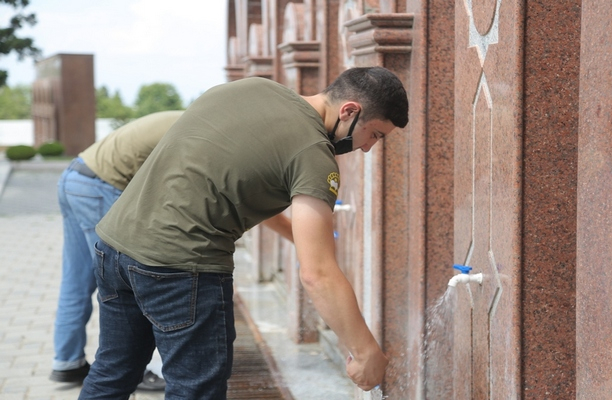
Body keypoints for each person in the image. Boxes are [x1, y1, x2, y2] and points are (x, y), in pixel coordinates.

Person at [79, 66, 409, 399]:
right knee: (194, 389)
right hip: (182, 267)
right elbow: (317, 273)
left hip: (115, 246)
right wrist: (365, 351)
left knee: (113, 373)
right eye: (375, 135)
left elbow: (225, 174)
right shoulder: (314, 155)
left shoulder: (250, 89)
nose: (367, 148)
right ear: (349, 111)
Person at [51, 111, 183, 390]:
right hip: (100, 186)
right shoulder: (195, 131)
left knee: (77, 279)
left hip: (75, 176)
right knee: (124, 282)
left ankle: (67, 362)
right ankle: (133, 370)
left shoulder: (183, 119)